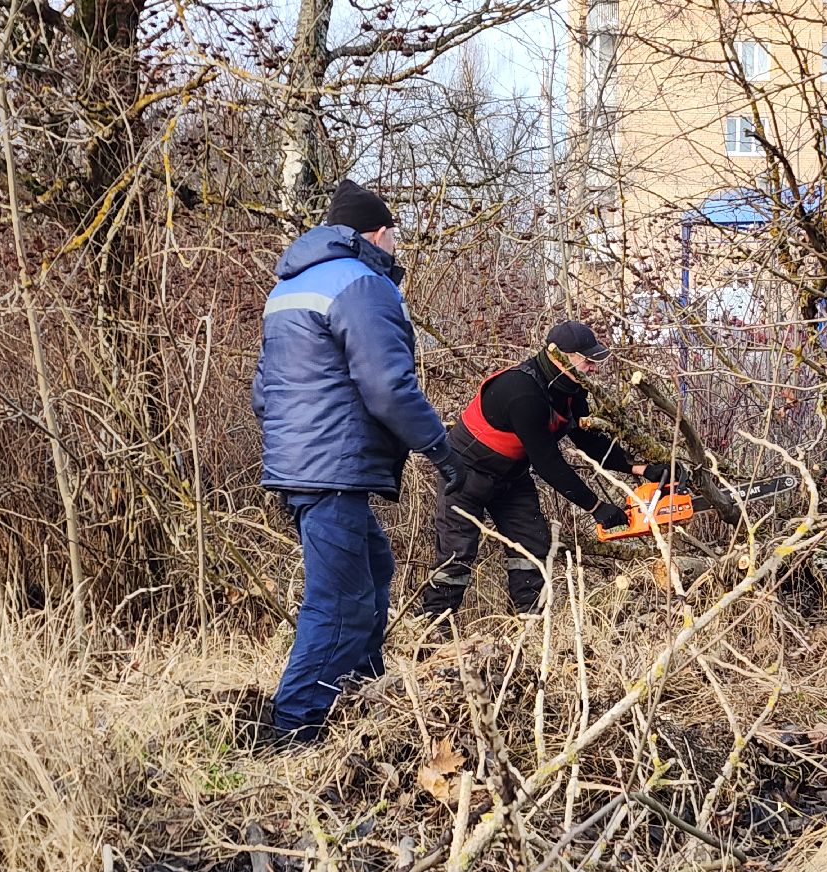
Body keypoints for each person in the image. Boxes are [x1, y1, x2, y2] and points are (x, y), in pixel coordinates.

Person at [252, 179, 465, 746]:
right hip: (332, 467)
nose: (396, 246)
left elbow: (263, 390)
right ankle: (294, 730)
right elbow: (389, 388)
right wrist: (441, 449)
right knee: (340, 598)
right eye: (394, 235)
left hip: (299, 463)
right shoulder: (363, 284)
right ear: (377, 233)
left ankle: (361, 694)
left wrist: (294, 445)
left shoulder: (290, 287)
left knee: (373, 566)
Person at [419, 320, 679, 623]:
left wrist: (640, 468)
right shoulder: (522, 393)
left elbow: (588, 439)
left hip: (511, 476)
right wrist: (595, 507)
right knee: (457, 554)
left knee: (531, 545)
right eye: (588, 360)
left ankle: (530, 627)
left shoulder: (571, 390)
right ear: (560, 356)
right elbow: (548, 462)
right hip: (466, 474)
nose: (594, 368)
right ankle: (433, 628)